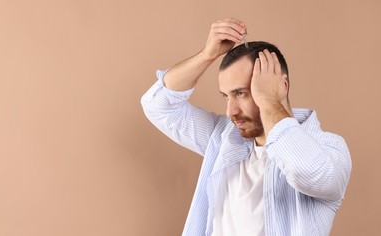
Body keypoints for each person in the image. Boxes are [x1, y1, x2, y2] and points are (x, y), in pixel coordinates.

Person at [141, 18, 352, 236]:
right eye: (226, 96)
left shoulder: (330, 149)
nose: (230, 111)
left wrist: (270, 101)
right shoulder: (223, 138)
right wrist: (207, 55)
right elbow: (159, 106)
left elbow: (309, 172)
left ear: (281, 86)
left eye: (241, 93)